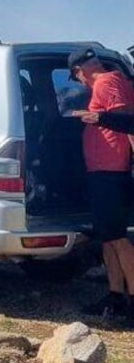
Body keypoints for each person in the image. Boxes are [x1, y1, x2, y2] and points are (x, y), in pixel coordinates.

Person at [68, 48, 134, 322]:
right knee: (108, 237)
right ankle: (115, 295)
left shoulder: (107, 82)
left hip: (111, 170)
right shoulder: (108, 82)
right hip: (101, 171)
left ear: (79, 71)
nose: (81, 83)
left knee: (118, 237)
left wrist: (97, 117)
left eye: (78, 78)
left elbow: (128, 120)